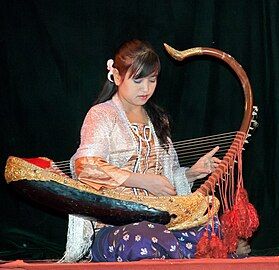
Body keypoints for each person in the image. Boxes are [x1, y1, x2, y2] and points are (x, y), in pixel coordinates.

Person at [62, 39, 250, 262]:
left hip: (159, 221)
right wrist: (142, 181)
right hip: (113, 229)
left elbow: (167, 180)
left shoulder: (157, 119)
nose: (146, 89)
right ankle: (190, 253)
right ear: (117, 76)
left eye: (152, 80)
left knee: (211, 226)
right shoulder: (102, 115)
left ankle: (182, 250)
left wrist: (191, 173)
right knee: (142, 238)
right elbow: (86, 166)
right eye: (138, 80)